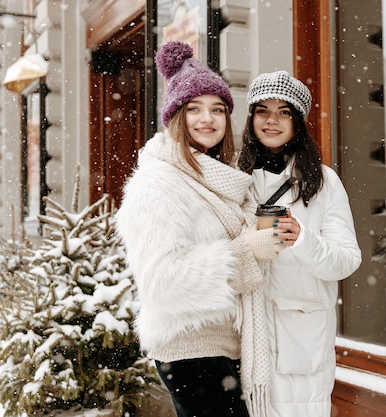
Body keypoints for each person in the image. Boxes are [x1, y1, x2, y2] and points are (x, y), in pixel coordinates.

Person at [116, 41, 282, 417]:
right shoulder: (159, 184)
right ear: (176, 117)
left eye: (217, 109)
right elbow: (163, 281)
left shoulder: (216, 179)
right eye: (194, 109)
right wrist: (245, 250)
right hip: (192, 350)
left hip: (223, 347)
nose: (207, 119)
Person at [238, 70, 362, 417]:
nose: (272, 120)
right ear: (251, 118)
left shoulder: (323, 182)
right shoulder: (233, 176)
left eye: (284, 112)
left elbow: (347, 260)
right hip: (242, 339)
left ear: (298, 121)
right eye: (262, 110)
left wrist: (302, 239)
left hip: (300, 339)